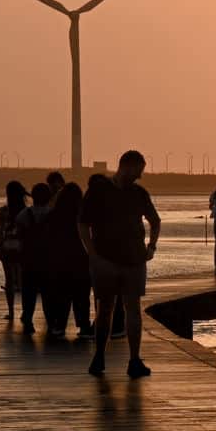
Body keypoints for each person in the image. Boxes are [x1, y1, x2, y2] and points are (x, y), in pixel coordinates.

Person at [80, 150, 161, 378]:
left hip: (134, 259)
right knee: (105, 308)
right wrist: (92, 254)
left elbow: (155, 221)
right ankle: (99, 356)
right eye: (138, 171)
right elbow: (83, 223)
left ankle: (134, 359)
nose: (140, 176)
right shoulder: (99, 190)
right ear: (127, 166)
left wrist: (151, 247)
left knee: (131, 308)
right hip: (106, 260)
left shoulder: (139, 193)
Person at [41, 182, 91, 338]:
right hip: (81, 259)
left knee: (61, 295)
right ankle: (84, 326)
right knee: (82, 295)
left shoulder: (52, 216)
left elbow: (46, 239)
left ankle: (59, 325)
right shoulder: (83, 215)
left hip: (58, 260)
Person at [18, 182, 55, 329]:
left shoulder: (24, 214)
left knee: (29, 291)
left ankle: (28, 319)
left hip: (29, 258)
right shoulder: (53, 213)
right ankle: (51, 321)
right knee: (48, 292)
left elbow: (20, 236)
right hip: (48, 258)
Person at [0, 180, 29, 327]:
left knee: (9, 281)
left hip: (6, 248)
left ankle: (11, 311)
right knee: (24, 281)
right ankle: (26, 312)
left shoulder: (2, 211)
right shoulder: (27, 211)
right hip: (22, 249)